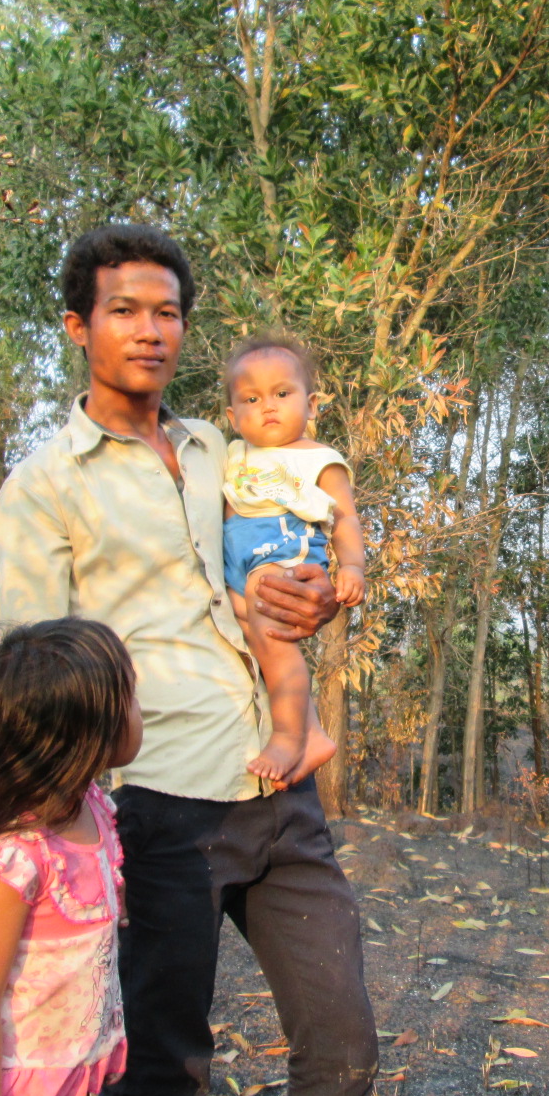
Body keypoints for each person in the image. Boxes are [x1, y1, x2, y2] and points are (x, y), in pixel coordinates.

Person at [0, 223, 378, 1096]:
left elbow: (287, 554)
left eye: (168, 312)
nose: (151, 330)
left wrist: (310, 594)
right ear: (77, 327)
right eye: (124, 310)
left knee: (344, 1040)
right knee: (164, 1068)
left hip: (280, 782)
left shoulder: (225, 448)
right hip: (158, 801)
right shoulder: (44, 486)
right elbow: (36, 672)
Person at [0, 617, 143, 1096]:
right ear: (85, 732)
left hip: (60, 1083)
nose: (139, 710)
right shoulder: (16, 861)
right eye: (128, 698)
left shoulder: (95, 809)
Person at [222, 333, 366, 783]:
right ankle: (314, 732)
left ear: (312, 404)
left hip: (281, 546)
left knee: (269, 623)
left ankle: (287, 737)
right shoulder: (233, 453)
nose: (268, 406)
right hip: (236, 556)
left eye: (282, 394)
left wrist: (353, 567)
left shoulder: (318, 458)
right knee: (249, 628)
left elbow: (344, 519)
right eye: (251, 398)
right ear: (232, 415)